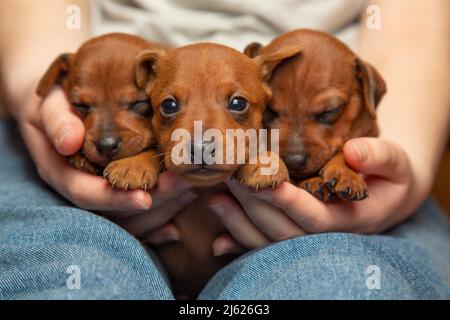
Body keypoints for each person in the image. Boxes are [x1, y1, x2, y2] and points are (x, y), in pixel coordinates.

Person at [0, 0, 449, 299]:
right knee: (72, 274)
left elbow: (413, 23)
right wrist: (39, 101)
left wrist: (403, 158)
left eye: (238, 105)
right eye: (167, 105)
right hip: (58, 145)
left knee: (342, 283)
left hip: (379, 144)